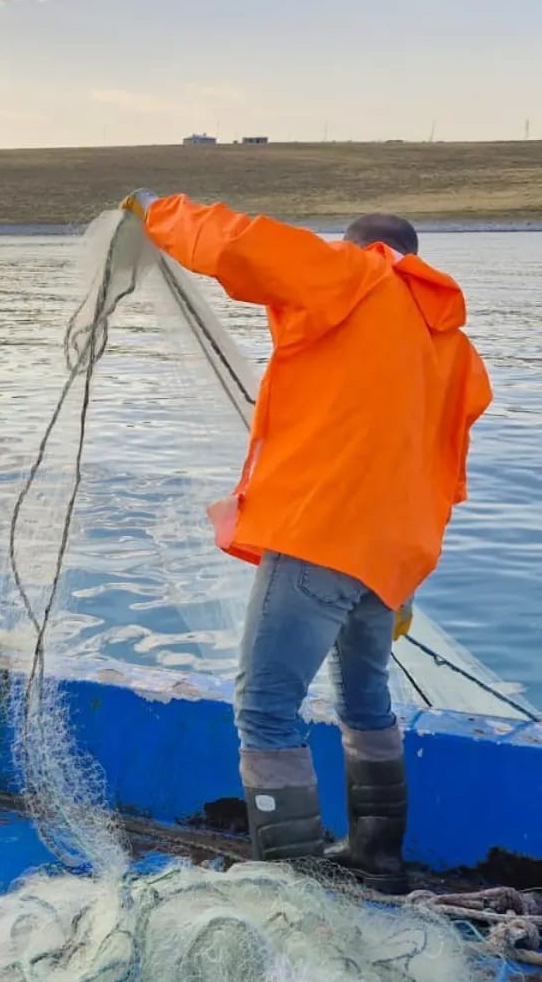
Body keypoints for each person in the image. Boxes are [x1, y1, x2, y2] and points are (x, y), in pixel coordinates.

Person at [120, 188, 492, 894]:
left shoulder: (353, 274)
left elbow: (240, 244)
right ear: (421, 261)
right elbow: (446, 470)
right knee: (365, 701)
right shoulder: (456, 349)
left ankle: (288, 882)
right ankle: (377, 860)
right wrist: (405, 582)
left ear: (363, 248)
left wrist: (157, 209)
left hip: (321, 533)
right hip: (390, 557)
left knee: (264, 708)